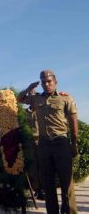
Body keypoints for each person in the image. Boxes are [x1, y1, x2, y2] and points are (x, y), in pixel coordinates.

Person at [17, 70, 78, 214]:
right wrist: (28, 88)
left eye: (49, 81)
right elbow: (19, 98)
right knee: (48, 183)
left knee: (66, 182)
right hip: (44, 145)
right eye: (43, 82)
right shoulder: (36, 99)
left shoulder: (65, 99)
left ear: (55, 82)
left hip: (61, 142)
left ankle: (69, 211)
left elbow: (73, 121)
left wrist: (74, 143)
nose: (46, 84)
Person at [26, 105, 45, 200]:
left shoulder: (42, 110)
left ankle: (44, 189)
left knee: (43, 165)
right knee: (33, 166)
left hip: (41, 140)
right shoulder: (24, 113)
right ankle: (37, 190)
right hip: (30, 141)